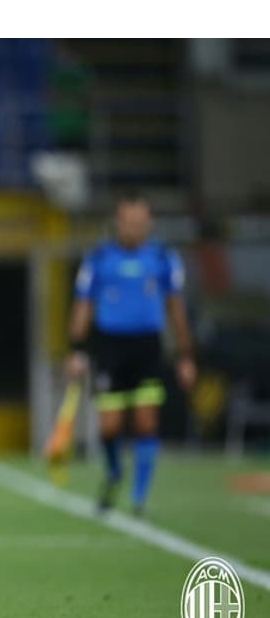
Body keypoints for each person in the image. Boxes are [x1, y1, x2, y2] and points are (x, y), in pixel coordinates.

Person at [65, 192, 196, 517]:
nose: (134, 229)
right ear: (118, 223)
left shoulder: (163, 258)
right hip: (109, 346)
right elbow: (83, 306)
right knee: (108, 427)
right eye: (128, 222)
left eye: (140, 223)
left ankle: (138, 497)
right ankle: (113, 472)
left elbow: (176, 309)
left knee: (145, 422)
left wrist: (185, 355)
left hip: (147, 347)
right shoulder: (98, 259)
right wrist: (77, 350)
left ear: (148, 223)